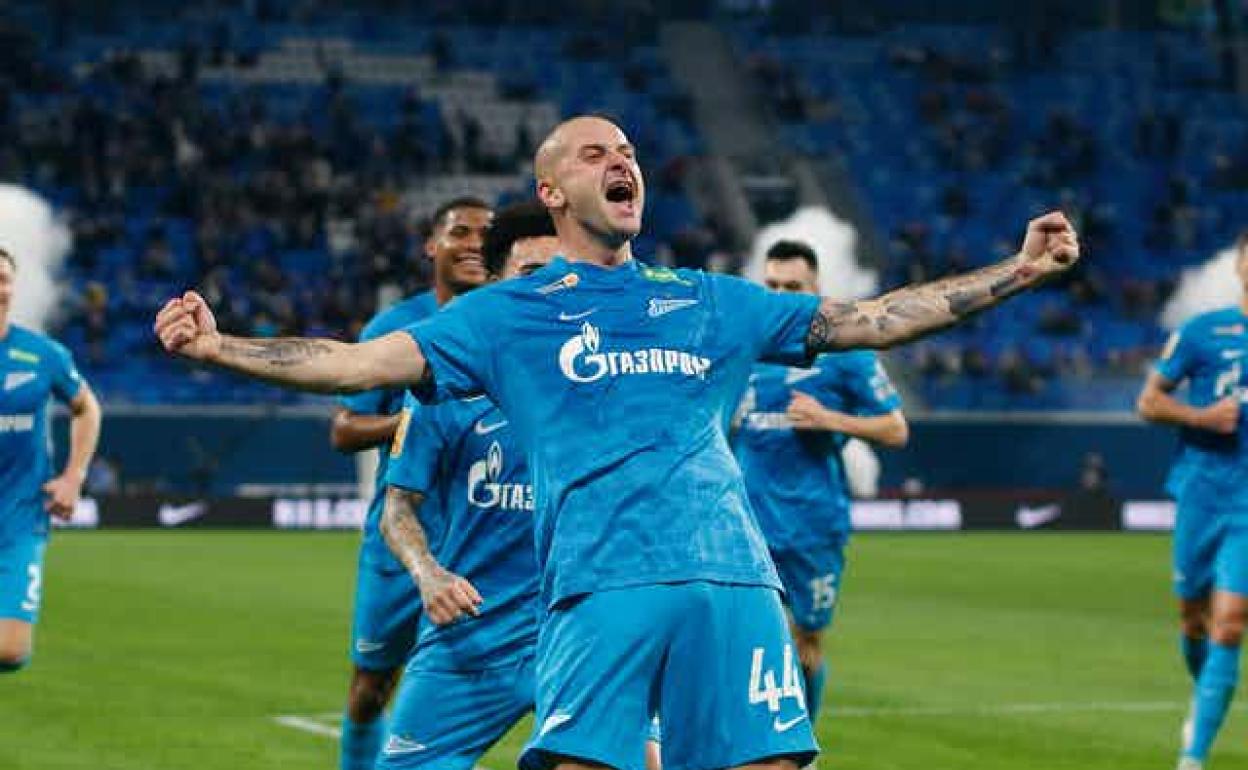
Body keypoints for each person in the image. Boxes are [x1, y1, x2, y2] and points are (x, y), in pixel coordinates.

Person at [154, 115, 1080, 770]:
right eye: (597, 152)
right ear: (553, 190)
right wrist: (218, 345)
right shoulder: (504, 314)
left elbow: (870, 319)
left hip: (736, 579)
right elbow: (354, 366)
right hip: (601, 589)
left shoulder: (710, 297)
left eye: (630, 151)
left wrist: (1021, 270)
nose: (621, 160)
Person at [377, 199, 559, 770]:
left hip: (581, 641)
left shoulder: (608, 384)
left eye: (562, 277)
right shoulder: (442, 387)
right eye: (532, 276)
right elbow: (397, 510)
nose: (550, 291)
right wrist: (428, 576)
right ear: (498, 284)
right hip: (472, 636)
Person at [330, 197, 491, 770]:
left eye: (485, 233)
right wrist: (420, 423)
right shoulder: (396, 326)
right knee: (372, 688)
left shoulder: (514, 324)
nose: (474, 242)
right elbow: (344, 429)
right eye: (460, 231)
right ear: (432, 246)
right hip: (401, 538)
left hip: (486, 539)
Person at [733, 239, 908, 725]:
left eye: (793, 286)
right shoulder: (746, 351)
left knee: (805, 643)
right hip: (746, 526)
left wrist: (832, 419)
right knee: (738, 642)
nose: (781, 294)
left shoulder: (846, 355)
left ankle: (799, 750)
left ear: (815, 290)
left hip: (812, 526)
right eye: (772, 285)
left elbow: (896, 429)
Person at [1137, 231, 1248, 770]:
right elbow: (1150, 401)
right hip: (1202, 492)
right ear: (1241, 267)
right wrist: (1202, 417)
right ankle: (1204, 697)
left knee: (1231, 621)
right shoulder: (1203, 333)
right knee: (1194, 620)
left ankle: (1192, 756)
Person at [0, 247, 102, 672]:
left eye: (3, 278)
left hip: (20, 516)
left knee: (11, 651)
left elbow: (87, 408)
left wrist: (73, 477)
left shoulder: (43, 355)